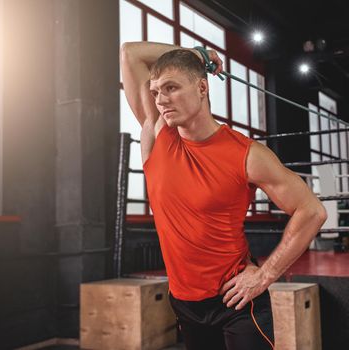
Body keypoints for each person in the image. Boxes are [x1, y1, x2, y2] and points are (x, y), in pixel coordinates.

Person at [120, 41, 327, 350]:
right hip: (185, 303)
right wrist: (197, 54)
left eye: (172, 88)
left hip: (236, 302)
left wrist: (266, 274)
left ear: (202, 88)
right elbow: (129, 53)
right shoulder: (156, 134)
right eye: (155, 91)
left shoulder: (246, 155)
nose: (161, 100)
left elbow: (312, 210)